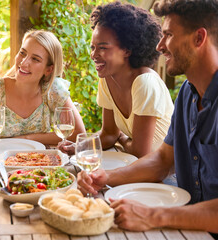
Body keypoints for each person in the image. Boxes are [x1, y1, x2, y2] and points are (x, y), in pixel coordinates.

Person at [77, 0, 218, 236]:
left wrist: (153, 215)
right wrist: (105, 177)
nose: (160, 46)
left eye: (169, 35)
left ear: (199, 38)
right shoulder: (187, 93)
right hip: (185, 225)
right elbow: (163, 160)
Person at [0, 30, 85, 166]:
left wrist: (27, 138)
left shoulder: (53, 91)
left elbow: (78, 134)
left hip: (38, 166)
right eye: (22, 53)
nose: (24, 62)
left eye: (35, 59)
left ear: (48, 70)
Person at [59, 2, 174, 158]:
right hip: (134, 164)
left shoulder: (145, 83)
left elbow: (141, 153)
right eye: (93, 47)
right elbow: (109, 134)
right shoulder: (107, 78)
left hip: (165, 174)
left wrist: (122, 138)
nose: (94, 55)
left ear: (127, 50)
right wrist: (79, 146)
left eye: (103, 47)